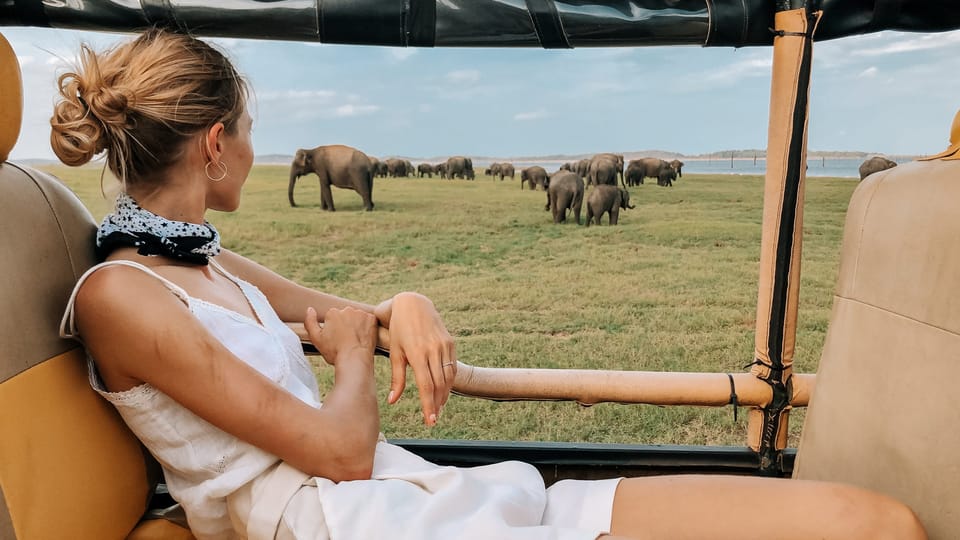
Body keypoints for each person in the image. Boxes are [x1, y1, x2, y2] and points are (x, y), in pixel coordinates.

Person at [52, 28, 926, 540]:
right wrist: (352, 356)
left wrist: (407, 302)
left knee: (871, 521)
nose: (254, 149)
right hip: (343, 521)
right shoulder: (118, 295)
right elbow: (339, 448)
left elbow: (346, 313)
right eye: (248, 131)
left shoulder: (200, 257)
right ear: (215, 144)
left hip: (397, 500)